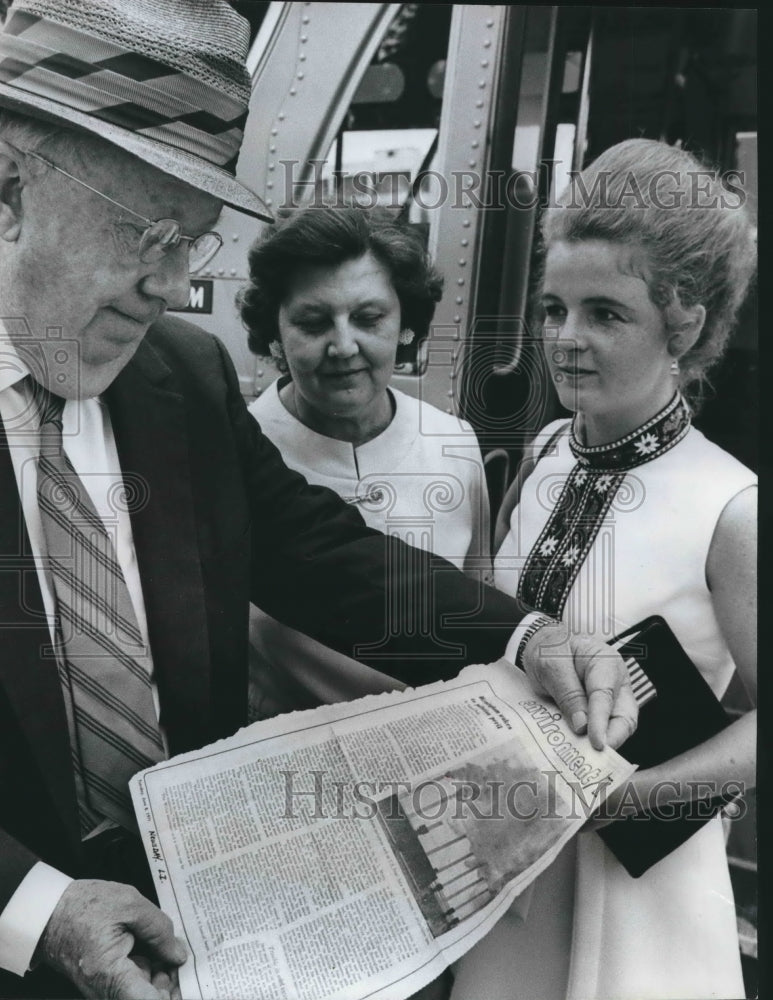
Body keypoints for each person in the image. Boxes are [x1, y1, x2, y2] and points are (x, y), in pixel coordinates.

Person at [0, 2, 637, 998]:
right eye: (152, 232)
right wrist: (32, 905)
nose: (173, 286)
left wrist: (528, 639)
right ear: (7, 190)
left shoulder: (182, 374)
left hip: (199, 936)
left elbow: (313, 549)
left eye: (197, 241)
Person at [451, 139, 757, 1000]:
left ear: (684, 323)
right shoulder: (547, 450)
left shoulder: (731, 508)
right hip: (510, 861)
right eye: (553, 309)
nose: (565, 340)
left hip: (640, 889)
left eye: (605, 314)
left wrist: (633, 799)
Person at [241, 205, 492, 717]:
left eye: (368, 318)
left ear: (405, 324)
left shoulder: (453, 442)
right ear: (276, 332)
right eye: (313, 322)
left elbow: (476, 594)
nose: (343, 345)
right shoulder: (239, 445)